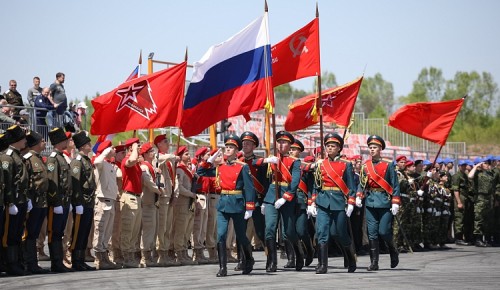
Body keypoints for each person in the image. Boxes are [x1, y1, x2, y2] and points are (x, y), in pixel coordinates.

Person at [197, 134, 256, 277]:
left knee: (241, 236)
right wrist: (208, 161)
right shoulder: (220, 167)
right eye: (226, 147)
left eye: (231, 148)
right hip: (223, 204)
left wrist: (249, 207)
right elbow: (200, 172)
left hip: (237, 204)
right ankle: (222, 267)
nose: (227, 150)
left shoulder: (242, 167)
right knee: (221, 235)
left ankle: (249, 258)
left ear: (237, 151)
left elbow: (249, 188)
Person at [311, 133, 357, 274]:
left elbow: (351, 186)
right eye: (328, 146)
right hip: (323, 201)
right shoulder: (321, 164)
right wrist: (312, 202)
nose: (330, 148)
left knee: (340, 233)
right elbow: (316, 185)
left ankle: (350, 258)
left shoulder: (346, 165)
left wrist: (350, 202)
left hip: (338, 201)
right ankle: (322, 264)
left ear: (339, 149)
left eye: (333, 146)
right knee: (322, 232)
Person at [355, 135, 400, 271]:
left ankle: (393, 249)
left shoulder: (389, 164)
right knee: (372, 233)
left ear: (380, 149)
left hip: (385, 201)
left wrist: (395, 202)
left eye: (375, 147)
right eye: (370, 147)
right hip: (370, 201)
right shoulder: (365, 166)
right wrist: (358, 195)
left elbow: (395, 185)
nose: (372, 150)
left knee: (384, 231)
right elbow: (362, 184)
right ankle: (374, 262)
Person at [263, 131, 302, 272]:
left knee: (288, 232)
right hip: (271, 196)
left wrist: (285, 198)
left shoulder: (295, 162)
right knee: (269, 229)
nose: (281, 144)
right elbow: (266, 178)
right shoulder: (273, 158)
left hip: (287, 197)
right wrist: (264, 201)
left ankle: (298, 253)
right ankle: (271, 261)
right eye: (279, 142)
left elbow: (295, 181)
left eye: (284, 142)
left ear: (290, 145)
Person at [0, 125, 30, 276]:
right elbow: (7, 182)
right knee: (10, 234)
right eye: (23, 138)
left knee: (18, 233)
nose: (25, 140)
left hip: (21, 200)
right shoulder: (7, 157)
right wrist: (10, 202)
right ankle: (11, 264)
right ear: (17, 140)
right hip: (14, 201)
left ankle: (17, 262)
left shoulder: (17, 155)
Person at [45, 127, 73, 272]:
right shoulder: (53, 159)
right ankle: (56, 263)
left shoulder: (61, 157)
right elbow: (52, 182)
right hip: (58, 201)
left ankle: (59, 261)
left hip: (65, 201)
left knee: (60, 232)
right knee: (54, 233)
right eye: (65, 140)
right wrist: (55, 202)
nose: (68, 142)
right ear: (59, 142)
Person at [23, 131, 51, 274]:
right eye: (42, 141)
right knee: (31, 234)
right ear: (35, 144)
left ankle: (33, 263)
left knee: (35, 233)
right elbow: (25, 180)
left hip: (42, 202)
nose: (44, 143)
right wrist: (27, 199)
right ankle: (29, 263)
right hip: (33, 201)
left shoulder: (39, 158)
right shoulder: (28, 159)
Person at [285, 138, 314, 269]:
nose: (291, 151)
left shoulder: (303, 166)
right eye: (290, 149)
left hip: (300, 200)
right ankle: (293, 257)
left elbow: (311, 186)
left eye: (294, 149)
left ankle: (309, 249)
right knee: (288, 232)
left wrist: (311, 202)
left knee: (301, 230)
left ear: (300, 152)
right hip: (287, 200)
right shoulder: (283, 165)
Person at [92, 140, 120, 270]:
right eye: (112, 148)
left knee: (107, 231)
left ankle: (104, 255)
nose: (114, 150)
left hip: (111, 200)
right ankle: (99, 257)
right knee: (101, 229)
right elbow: (96, 161)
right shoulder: (101, 163)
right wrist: (106, 151)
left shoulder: (110, 165)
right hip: (102, 201)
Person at [153, 134, 180, 266]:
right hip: (162, 197)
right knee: (162, 227)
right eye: (165, 141)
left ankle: (165, 251)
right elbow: (160, 158)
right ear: (159, 145)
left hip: (168, 196)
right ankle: (160, 253)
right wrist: (173, 156)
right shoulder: (158, 157)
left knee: (168, 227)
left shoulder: (167, 160)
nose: (168, 143)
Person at [171, 145, 197, 265]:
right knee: (181, 228)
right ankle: (179, 252)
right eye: (186, 154)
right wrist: (190, 194)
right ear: (180, 156)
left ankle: (185, 251)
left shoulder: (186, 169)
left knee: (187, 228)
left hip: (189, 202)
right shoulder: (180, 169)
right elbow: (179, 187)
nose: (189, 156)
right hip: (183, 201)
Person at [120, 138, 143, 268]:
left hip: (137, 198)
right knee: (128, 230)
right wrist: (134, 148)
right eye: (137, 147)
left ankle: (131, 255)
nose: (140, 149)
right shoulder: (127, 160)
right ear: (130, 148)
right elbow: (131, 160)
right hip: (129, 197)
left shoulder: (137, 163)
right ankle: (126, 257)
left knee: (134, 230)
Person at [138, 142, 161, 267]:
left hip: (152, 201)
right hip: (147, 201)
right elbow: (148, 182)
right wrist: (159, 190)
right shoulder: (144, 167)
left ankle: (150, 253)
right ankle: (145, 256)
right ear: (145, 154)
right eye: (151, 151)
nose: (153, 153)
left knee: (153, 229)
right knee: (148, 229)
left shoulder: (150, 166)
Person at [468, 158, 499, 247]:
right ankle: (478, 239)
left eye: (487, 163)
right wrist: (476, 166)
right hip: (480, 198)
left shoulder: (490, 173)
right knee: (479, 219)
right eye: (485, 163)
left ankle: (487, 239)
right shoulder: (477, 173)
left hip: (490, 198)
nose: (487, 165)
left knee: (488, 220)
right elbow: (470, 176)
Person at [452, 160, 474, 245]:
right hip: (460, 197)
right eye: (462, 165)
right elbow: (455, 190)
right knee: (459, 218)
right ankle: (458, 238)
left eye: (465, 165)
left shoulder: (464, 175)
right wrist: (459, 202)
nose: (464, 167)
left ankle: (466, 237)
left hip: (466, 198)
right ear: (459, 166)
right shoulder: (457, 176)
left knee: (465, 218)